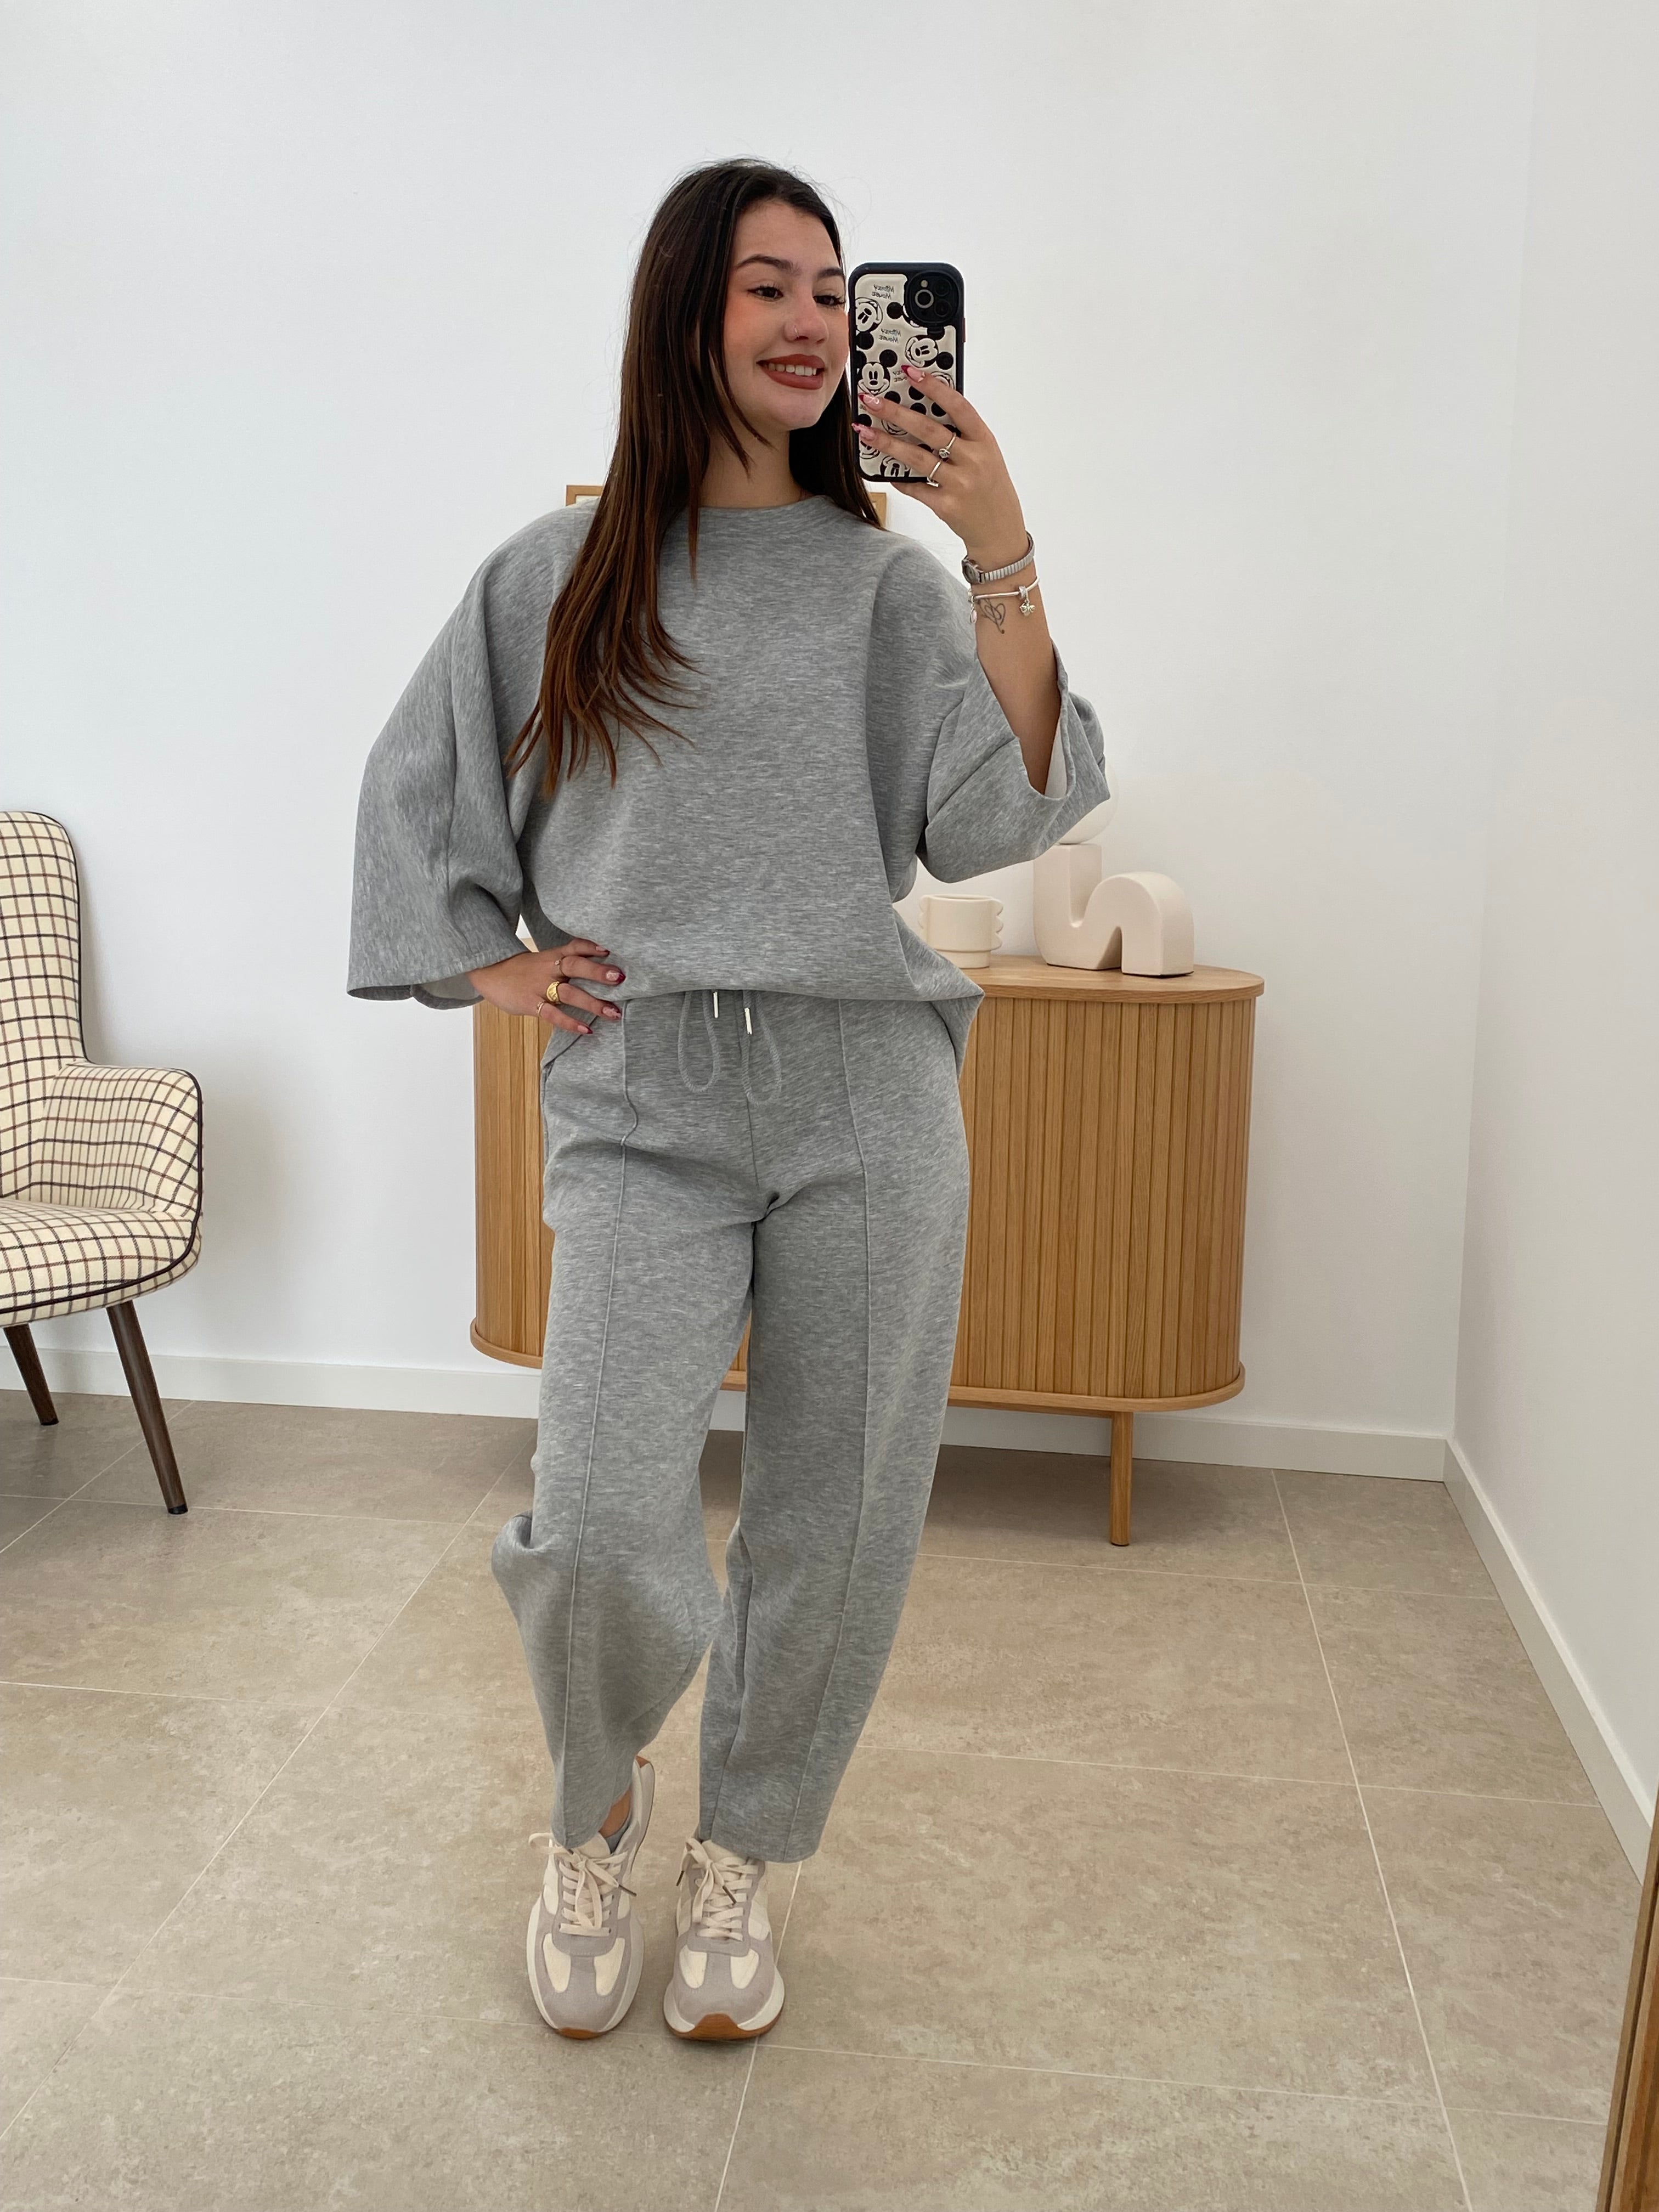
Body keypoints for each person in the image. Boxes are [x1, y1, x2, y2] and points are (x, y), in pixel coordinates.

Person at [348, 157, 1109, 2045]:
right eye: (768, 283)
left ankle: (745, 1854)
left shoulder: (891, 586)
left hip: (866, 1092)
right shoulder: (557, 572)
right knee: (603, 1513)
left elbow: (998, 818)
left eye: (833, 294)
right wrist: (486, 963)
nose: (810, 323)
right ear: (685, 307)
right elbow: (418, 790)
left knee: (835, 1524)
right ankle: (593, 1809)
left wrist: (1000, 545)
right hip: (646, 1088)